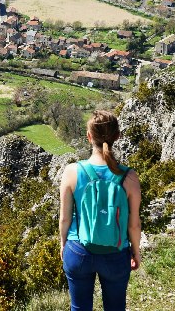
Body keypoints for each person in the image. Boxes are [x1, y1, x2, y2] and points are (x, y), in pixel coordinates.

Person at [59, 110, 142, 311]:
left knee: (79, 307)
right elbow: (134, 223)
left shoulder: (72, 172)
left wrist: (64, 245)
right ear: (117, 136)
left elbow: (64, 218)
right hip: (116, 253)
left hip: (78, 251)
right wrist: (136, 252)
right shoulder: (129, 177)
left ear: (89, 137)